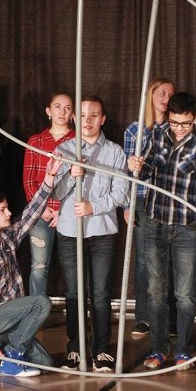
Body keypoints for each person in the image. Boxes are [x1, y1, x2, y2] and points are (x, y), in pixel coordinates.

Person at [128, 92, 196, 370]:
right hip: (155, 222)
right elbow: (145, 174)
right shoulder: (157, 136)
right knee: (155, 292)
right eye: (174, 122)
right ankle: (158, 350)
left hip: (186, 228)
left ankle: (183, 351)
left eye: (185, 124)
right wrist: (137, 167)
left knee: (184, 294)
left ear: (194, 119)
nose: (179, 128)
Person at [0, 155, 62, 378]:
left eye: (7, 208)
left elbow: (31, 212)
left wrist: (49, 178)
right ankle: (1, 353)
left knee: (45, 361)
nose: (9, 213)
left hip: (12, 315)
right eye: (2, 210)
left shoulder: (7, 237)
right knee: (40, 303)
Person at [53, 96, 129, 372]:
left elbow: (121, 193)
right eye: (83, 115)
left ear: (103, 119)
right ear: (75, 118)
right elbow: (56, 193)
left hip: (102, 231)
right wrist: (71, 175)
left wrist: (92, 207)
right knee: (74, 292)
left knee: (99, 293)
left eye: (94, 115)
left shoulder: (115, 152)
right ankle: (75, 348)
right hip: (70, 231)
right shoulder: (63, 150)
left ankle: (101, 350)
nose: (88, 121)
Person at [123, 77, 175, 336]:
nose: (166, 99)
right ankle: (143, 316)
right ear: (151, 94)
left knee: (170, 259)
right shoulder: (134, 130)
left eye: (170, 95)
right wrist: (126, 204)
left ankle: (170, 318)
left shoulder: (176, 128)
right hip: (143, 199)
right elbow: (127, 170)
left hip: (170, 200)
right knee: (144, 260)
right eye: (162, 93)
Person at [23, 92, 75, 295]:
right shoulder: (35, 141)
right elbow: (29, 180)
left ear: (72, 114)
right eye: (57, 106)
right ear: (48, 111)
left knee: (72, 267)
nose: (62, 112)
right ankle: (36, 313)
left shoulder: (78, 141)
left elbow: (80, 181)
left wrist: (60, 209)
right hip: (40, 215)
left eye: (68, 107)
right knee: (38, 266)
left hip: (68, 214)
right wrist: (43, 208)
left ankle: (76, 315)